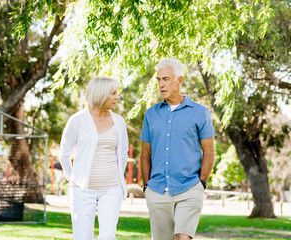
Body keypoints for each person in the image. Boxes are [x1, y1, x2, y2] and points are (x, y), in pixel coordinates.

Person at [140, 58, 215, 240]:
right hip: (157, 191)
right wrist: (147, 187)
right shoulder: (151, 114)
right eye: (158, 80)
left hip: (189, 188)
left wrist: (201, 183)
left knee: (183, 237)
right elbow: (145, 154)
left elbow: (209, 151)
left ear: (179, 80)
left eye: (165, 79)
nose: (161, 84)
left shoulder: (200, 112)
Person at [59, 76, 129, 240]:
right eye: (113, 93)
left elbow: (123, 154)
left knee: (108, 237)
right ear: (101, 94)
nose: (117, 97)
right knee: (82, 236)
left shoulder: (118, 121)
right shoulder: (77, 120)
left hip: (112, 189)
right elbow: (64, 154)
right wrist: (73, 179)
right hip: (83, 190)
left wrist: (116, 179)